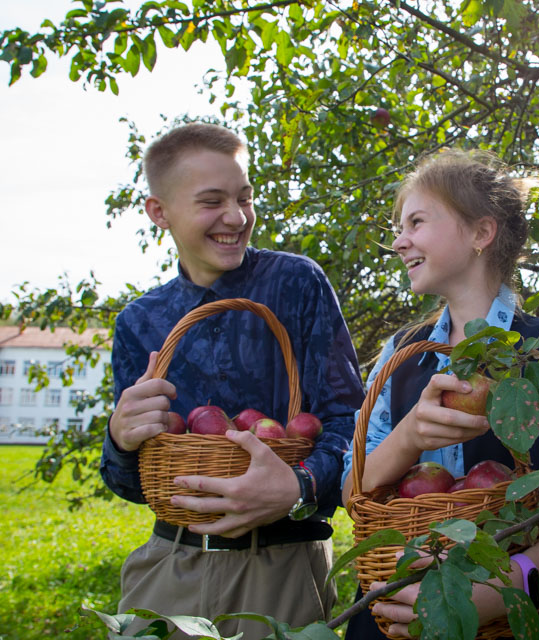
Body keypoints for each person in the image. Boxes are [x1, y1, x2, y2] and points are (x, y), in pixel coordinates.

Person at [340, 149, 539, 639]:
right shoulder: (400, 354)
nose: (399, 242)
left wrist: (512, 584)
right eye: (399, 226)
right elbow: (354, 495)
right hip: (395, 615)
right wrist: (409, 436)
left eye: (415, 221)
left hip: (536, 619)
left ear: (481, 233)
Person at [100, 122, 365, 638]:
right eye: (211, 201)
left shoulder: (295, 284)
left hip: (281, 566)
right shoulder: (140, 322)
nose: (236, 217)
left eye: (245, 197)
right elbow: (130, 483)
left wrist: (296, 485)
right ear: (160, 213)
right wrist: (119, 439)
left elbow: (350, 425)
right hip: (170, 565)